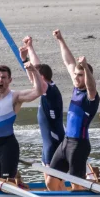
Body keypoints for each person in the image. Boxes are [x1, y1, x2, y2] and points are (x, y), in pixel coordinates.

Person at [47, 30, 100, 191]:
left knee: (77, 185)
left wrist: (85, 67)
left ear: (87, 76)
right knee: (51, 181)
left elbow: (92, 86)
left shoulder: (91, 96)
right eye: (76, 75)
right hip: (66, 142)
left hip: (79, 144)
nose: (76, 78)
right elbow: (69, 62)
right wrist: (60, 40)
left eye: (80, 75)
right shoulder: (76, 87)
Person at [19, 36, 65, 176]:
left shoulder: (49, 90)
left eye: (36, 75)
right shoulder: (47, 85)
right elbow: (37, 69)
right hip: (49, 141)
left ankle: (58, 194)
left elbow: (36, 77)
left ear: (42, 77)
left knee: (51, 175)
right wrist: (29, 50)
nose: (33, 77)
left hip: (54, 139)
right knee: (48, 173)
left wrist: (28, 64)